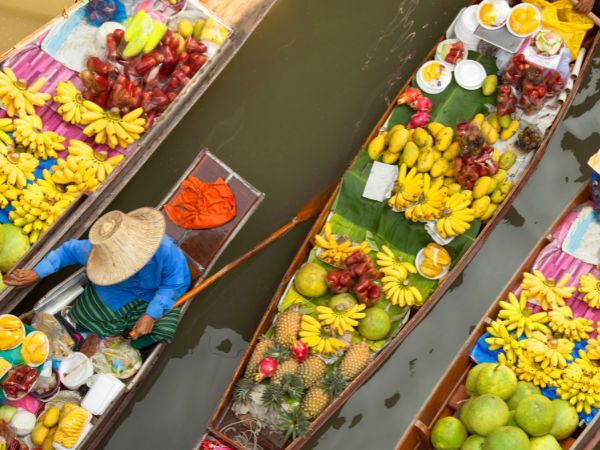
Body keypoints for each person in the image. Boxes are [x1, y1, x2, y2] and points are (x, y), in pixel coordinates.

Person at [4, 207, 191, 349]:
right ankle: (101, 336)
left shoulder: (165, 250)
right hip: (116, 291)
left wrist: (151, 314)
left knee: (164, 329)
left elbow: (176, 282)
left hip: (154, 295)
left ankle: (128, 344)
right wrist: (37, 273)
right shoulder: (97, 252)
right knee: (84, 315)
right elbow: (67, 251)